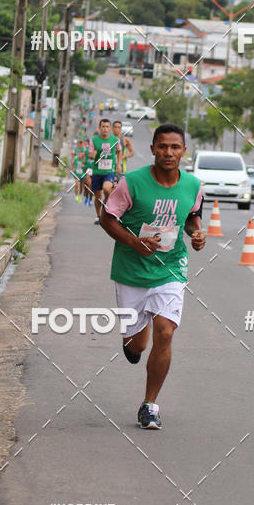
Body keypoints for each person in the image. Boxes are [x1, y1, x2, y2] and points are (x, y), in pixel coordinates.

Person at [100, 123, 205, 430]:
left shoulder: (193, 185)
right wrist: (135, 242)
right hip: (132, 269)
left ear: (184, 151)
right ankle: (134, 341)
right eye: (162, 146)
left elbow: (191, 216)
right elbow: (108, 219)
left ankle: (150, 405)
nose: (168, 152)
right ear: (152, 149)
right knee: (137, 345)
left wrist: (196, 233)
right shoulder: (131, 183)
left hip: (170, 266)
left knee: (166, 331)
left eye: (175, 147)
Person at [89, 118, 122, 225]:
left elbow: (119, 151)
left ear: (110, 128)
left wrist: (118, 164)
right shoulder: (93, 140)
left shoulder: (115, 140)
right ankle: (99, 216)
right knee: (97, 196)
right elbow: (90, 155)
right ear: (99, 128)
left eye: (107, 127)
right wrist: (93, 154)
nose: (105, 129)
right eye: (103, 127)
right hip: (97, 171)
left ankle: (107, 204)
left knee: (107, 189)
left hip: (109, 171)